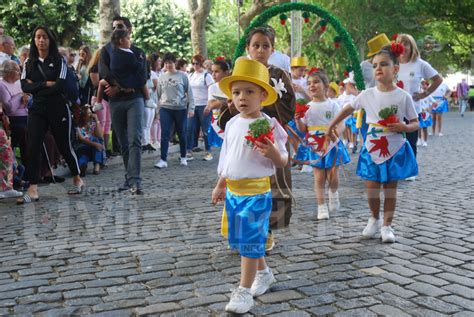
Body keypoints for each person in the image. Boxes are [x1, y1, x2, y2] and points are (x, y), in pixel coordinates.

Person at [212, 57, 288, 314]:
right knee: (247, 240)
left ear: (263, 95)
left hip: (256, 192)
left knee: (249, 242)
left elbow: (284, 158)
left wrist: (273, 154)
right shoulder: (232, 124)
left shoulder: (269, 125)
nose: (241, 97)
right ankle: (264, 273)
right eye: (236, 92)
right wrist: (220, 183)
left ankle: (244, 291)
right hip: (234, 191)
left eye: (249, 91)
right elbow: (227, 158)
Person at [327, 44, 419, 243]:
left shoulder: (403, 97)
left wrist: (404, 127)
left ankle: (387, 225)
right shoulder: (367, 94)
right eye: (375, 64)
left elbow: (415, 122)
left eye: (384, 64)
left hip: (394, 147)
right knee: (372, 187)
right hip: (372, 146)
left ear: (395, 69)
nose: (378, 68)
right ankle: (374, 218)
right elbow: (347, 109)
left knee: (390, 188)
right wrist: (332, 124)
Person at [19, 25, 85, 204]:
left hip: (58, 107)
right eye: (38, 37)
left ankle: (77, 177)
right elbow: (24, 86)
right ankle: (33, 188)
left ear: (50, 40)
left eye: (45, 37)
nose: (41, 40)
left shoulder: (58, 61)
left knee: (64, 145)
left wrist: (37, 86)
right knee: (33, 146)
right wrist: (44, 84)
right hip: (38, 109)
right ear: (34, 40)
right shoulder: (29, 62)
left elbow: (60, 85)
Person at [98, 16, 148, 195]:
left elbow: (142, 77)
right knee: (123, 142)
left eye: (119, 26)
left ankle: (136, 181)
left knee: (135, 138)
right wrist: (116, 87)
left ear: (129, 29)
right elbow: (104, 72)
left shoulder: (138, 52)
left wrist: (122, 86)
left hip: (135, 99)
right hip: (116, 101)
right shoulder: (106, 50)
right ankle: (129, 177)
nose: (116, 29)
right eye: (113, 27)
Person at [295, 70, 350, 219]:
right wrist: (298, 119)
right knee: (319, 177)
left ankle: (333, 192)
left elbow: (341, 124)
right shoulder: (307, 107)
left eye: (316, 82)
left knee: (332, 176)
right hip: (315, 145)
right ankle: (321, 207)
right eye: (309, 83)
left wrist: (335, 135)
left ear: (325, 85)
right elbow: (302, 129)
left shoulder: (333, 105)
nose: (312, 85)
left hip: (331, 144)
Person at [396, 33, 442, 160]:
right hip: (394, 110)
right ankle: (397, 168)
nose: (403, 46)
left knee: (411, 142)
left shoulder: (420, 64)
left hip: (412, 110)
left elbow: (438, 79)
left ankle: (411, 170)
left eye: (406, 44)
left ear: (412, 46)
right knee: (395, 143)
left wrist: (424, 94)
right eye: (400, 43)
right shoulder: (392, 62)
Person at [154, 52, 194, 169]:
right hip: (165, 108)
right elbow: (158, 95)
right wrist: (158, 111)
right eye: (166, 63)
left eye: (170, 63)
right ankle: (163, 159)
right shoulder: (161, 77)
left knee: (182, 133)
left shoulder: (182, 76)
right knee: (165, 134)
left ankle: (183, 156)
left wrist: (191, 108)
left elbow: (189, 93)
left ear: (175, 63)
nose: (168, 65)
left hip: (180, 108)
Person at [186, 54, 214, 161]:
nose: (195, 65)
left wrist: (209, 105)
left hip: (204, 105)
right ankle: (189, 151)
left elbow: (211, 90)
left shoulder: (206, 75)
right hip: (192, 105)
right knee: (189, 128)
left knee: (206, 129)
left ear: (201, 63)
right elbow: (187, 90)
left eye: (197, 63)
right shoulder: (190, 76)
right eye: (193, 63)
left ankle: (208, 151)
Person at [0, 60, 29, 165]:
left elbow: (27, 100)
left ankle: (42, 171)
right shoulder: (2, 85)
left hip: (26, 115)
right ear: (8, 72)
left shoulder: (18, 83)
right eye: (17, 70)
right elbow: (10, 108)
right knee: (25, 132)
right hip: (13, 119)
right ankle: (26, 170)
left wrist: (25, 96)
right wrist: (20, 95)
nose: (20, 72)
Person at [204, 57, 231, 149]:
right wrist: (228, 100)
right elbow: (211, 104)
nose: (213, 75)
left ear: (226, 72)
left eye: (216, 72)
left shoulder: (233, 86)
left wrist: (219, 102)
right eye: (212, 72)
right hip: (218, 122)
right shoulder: (212, 87)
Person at [74, 106, 105, 176]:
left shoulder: (92, 124)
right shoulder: (78, 126)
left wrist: (97, 120)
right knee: (84, 153)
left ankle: (95, 164)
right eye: (88, 113)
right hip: (82, 147)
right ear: (83, 116)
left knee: (96, 139)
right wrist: (95, 144)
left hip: (92, 149)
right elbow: (81, 139)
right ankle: (83, 166)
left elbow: (100, 135)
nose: (91, 115)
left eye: (91, 113)